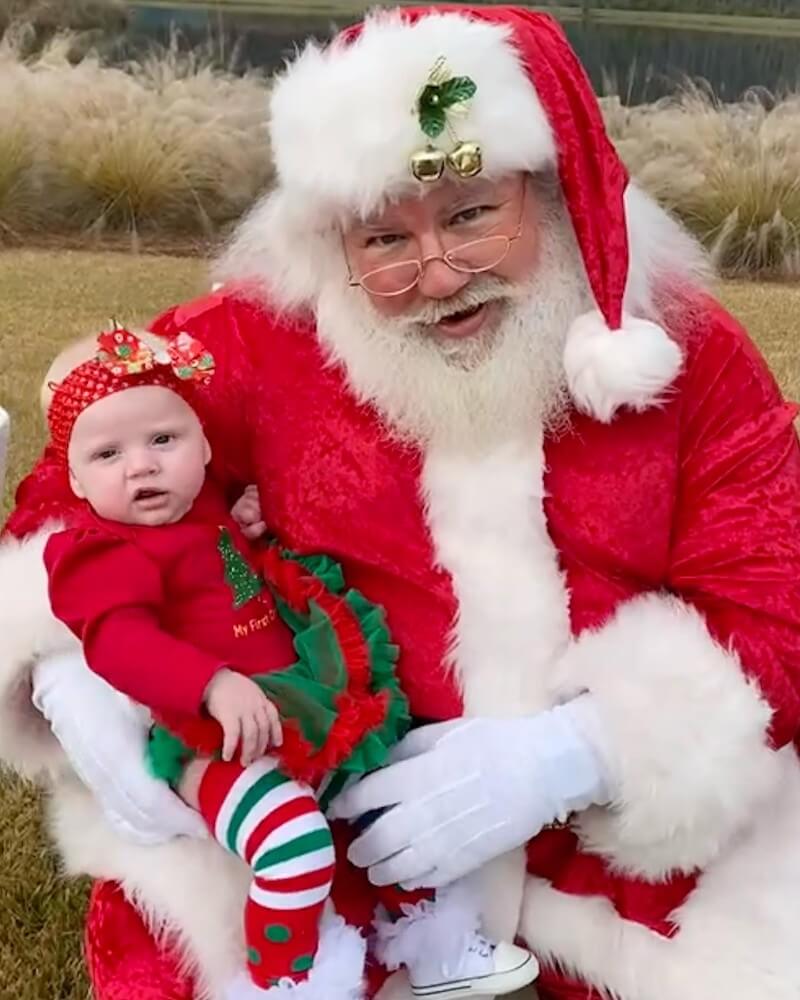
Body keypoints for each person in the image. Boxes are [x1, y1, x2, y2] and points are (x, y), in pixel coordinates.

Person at [1, 5, 800, 999]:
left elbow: (774, 601)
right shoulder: (256, 337)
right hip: (323, 785)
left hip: (603, 838)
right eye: (384, 237)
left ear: (552, 194)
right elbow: (82, 467)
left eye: (471, 215)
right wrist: (70, 667)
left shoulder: (694, 355)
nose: (437, 273)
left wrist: (573, 753)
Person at [39, 327, 538, 1000]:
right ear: (73, 479)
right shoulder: (100, 551)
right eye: (107, 454)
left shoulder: (208, 508)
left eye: (164, 440)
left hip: (305, 709)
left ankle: (434, 943)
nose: (141, 466)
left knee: (401, 805)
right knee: (292, 844)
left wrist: (247, 515)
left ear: (205, 446)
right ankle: (287, 980)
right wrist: (209, 685)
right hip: (214, 743)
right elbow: (118, 641)